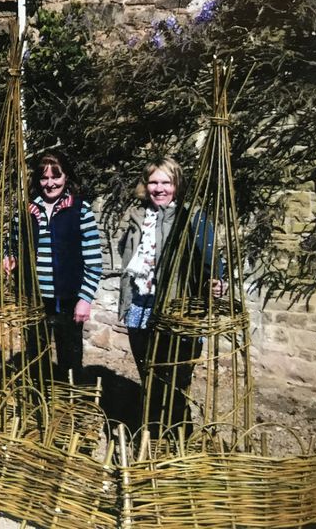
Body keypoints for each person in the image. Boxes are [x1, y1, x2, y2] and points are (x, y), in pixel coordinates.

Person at [118, 156, 223, 430]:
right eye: (153, 182)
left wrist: (215, 282)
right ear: (145, 185)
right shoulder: (137, 216)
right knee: (149, 378)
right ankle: (152, 436)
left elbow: (212, 262)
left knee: (175, 383)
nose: (159, 188)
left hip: (176, 313)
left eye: (166, 182)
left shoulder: (192, 217)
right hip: (140, 310)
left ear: (177, 184)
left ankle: (177, 437)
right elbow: (126, 255)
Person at [5, 150, 103, 381]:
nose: (50, 184)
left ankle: (70, 398)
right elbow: (14, 245)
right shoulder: (26, 211)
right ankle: (39, 397)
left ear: (66, 176)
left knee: (70, 357)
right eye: (44, 178)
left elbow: (93, 260)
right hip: (34, 298)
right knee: (36, 354)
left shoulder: (79, 210)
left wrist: (85, 299)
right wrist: (10, 258)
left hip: (67, 300)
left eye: (56, 177)